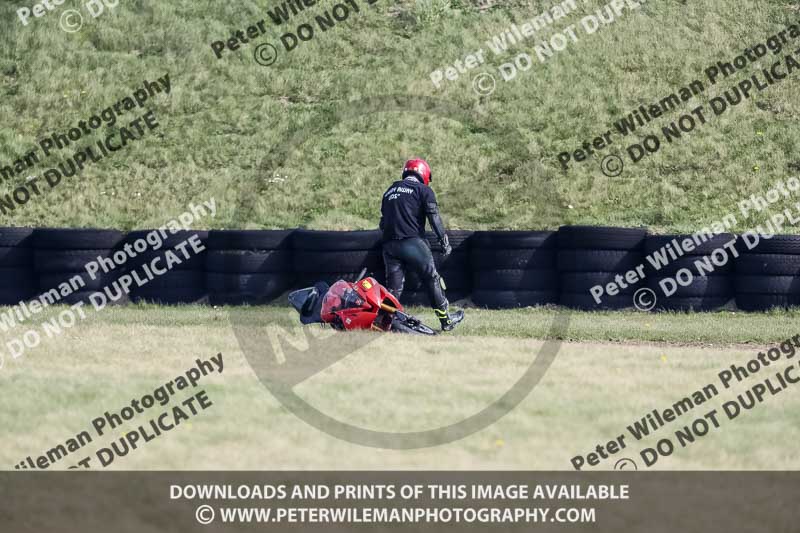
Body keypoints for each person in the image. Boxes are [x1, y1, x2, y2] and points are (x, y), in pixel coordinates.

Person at [379, 158, 465, 331]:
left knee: (393, 289)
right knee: (432, 278)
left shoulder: (389, 191)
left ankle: (384, 323)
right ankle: (446, 320)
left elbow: (383, 222)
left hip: (389, 246)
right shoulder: (423, 190)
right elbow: (434, 217)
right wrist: (444, 241)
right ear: (424, 174)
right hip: (412, 243)